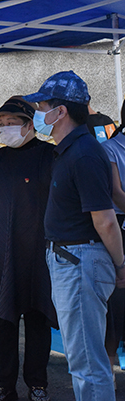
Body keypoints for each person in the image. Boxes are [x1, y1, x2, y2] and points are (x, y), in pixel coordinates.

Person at [23, 70, 125, 401]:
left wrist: (120, 265)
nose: (38, 114)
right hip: (72, 260)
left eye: (42, 107)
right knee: (84, 361)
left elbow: (105, 220)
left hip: (80, 262)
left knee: (87, 363)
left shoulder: (84, 153)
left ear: (61, 111)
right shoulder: (73, 150)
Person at [0, 97, 56, 401]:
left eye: (11, 123)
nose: (5, 128)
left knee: (38, 318)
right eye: (2, 124)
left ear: (29, 124)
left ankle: (37, 383)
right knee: (3, 320)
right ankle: (4, 384)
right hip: (0, 251)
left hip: (39, 252)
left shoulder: (50, 155)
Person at [101, 99, 125, 389]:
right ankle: (109, 360)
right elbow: (116, 193)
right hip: (119, 226)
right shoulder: (109, 149)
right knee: (116, 299)